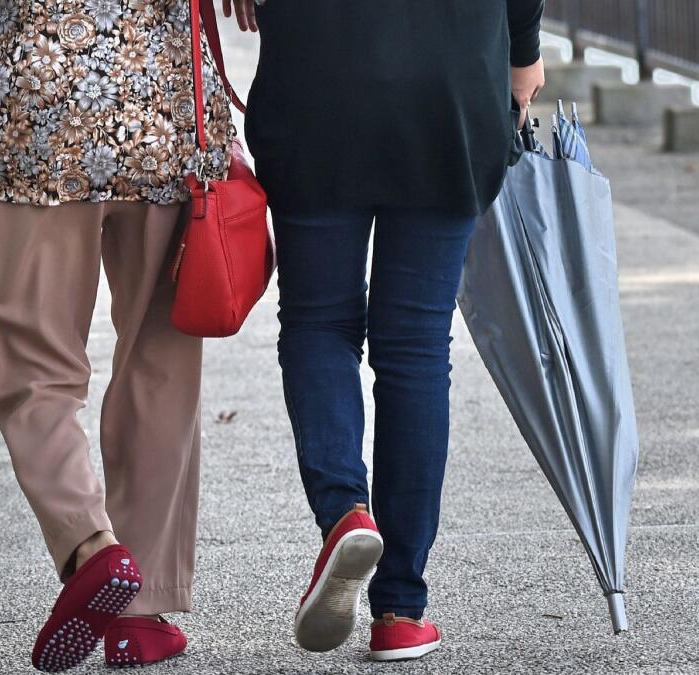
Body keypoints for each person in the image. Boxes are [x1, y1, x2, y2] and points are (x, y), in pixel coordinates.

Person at [0, 1, 235, 671]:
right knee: (159, 357)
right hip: (166, 111)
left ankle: (92, 546)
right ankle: (140, 616)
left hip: (35, 108)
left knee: (30, 359)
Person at [224, 0, 546, 662]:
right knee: (417, 348)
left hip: (316, 81)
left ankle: (345, 508)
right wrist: (524, 50)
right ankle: (401, 607)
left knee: (318, 319)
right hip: (451, 85)